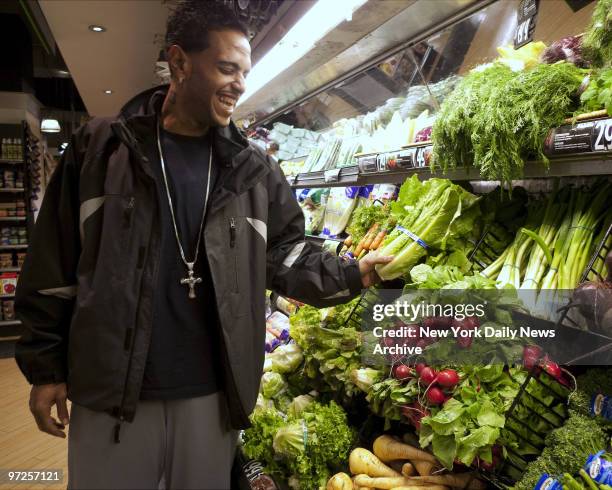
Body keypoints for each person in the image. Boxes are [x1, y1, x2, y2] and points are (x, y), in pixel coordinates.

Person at [14, 1, 392, 489]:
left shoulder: (255, 172)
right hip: (112, 394)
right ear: (179, 63)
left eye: (244, 72)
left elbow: (286, 253)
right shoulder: (102, 152)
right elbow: (53, 268)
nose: (239, 84)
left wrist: (353, 272)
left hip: (212, 396)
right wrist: (46, 368)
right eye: (226, 68)